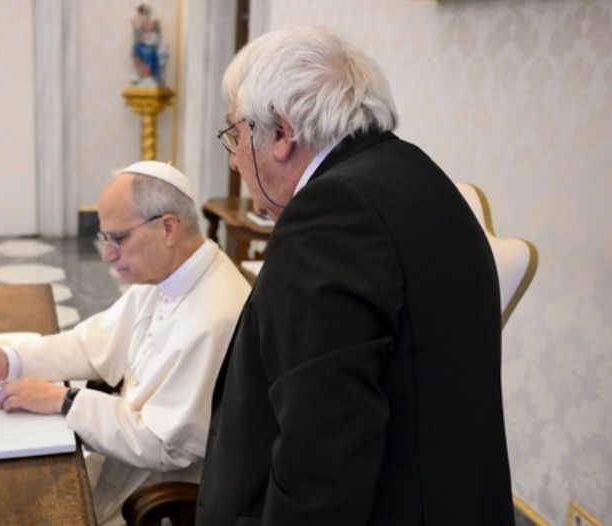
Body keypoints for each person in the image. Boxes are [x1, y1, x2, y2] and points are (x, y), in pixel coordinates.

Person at [196, 27, 514, 524]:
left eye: (236, 135)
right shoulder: (415, 174)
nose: (235, 159)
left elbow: (320, 459)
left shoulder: (327, 218)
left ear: (281, 133)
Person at [0, 161, 250, 526]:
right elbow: (91, 343)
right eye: (105, 238)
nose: (108, 255)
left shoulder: (215, 314)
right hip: (120, 465)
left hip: (155, 497)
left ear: (168, 228)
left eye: (118, 238)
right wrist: (10, 360)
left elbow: (164, 444)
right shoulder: (170, 275)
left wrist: (64, 401)